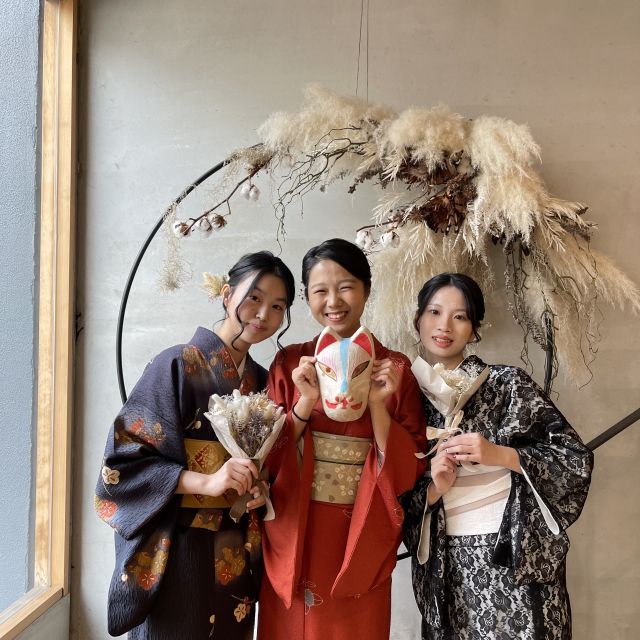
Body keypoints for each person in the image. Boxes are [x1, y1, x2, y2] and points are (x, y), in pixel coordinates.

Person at [95, 251, 295, 639]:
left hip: (233, 548)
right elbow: (123, 464)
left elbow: (270, 462)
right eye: (254, 298)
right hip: (178, 547)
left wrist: (259, 487)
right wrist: (207, 482)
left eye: (277, 306)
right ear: (227, 295)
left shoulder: (262, 380)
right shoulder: (175, 364)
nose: (263, 314)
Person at [401, 272, 594, 640]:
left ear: (474, 329)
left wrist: (501, 455)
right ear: (418, 319)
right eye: (434, 312)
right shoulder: (405, 400)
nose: (444, 326)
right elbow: (393, 496)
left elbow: (573, 457)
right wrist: (434, 489)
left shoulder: (508, 383)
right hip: (450, 563)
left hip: (513, 553)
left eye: (460, 316)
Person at [257, 238, 426, 640]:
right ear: (307, 298)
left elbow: (413, 463)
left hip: (362, 527)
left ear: (367, 289)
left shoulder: (395, 368)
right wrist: (305, 402)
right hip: (298, 523)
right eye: (320, 291)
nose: (333, 301)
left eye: (346, 287)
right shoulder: (289, 363)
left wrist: (379, 405)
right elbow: (263, 455)